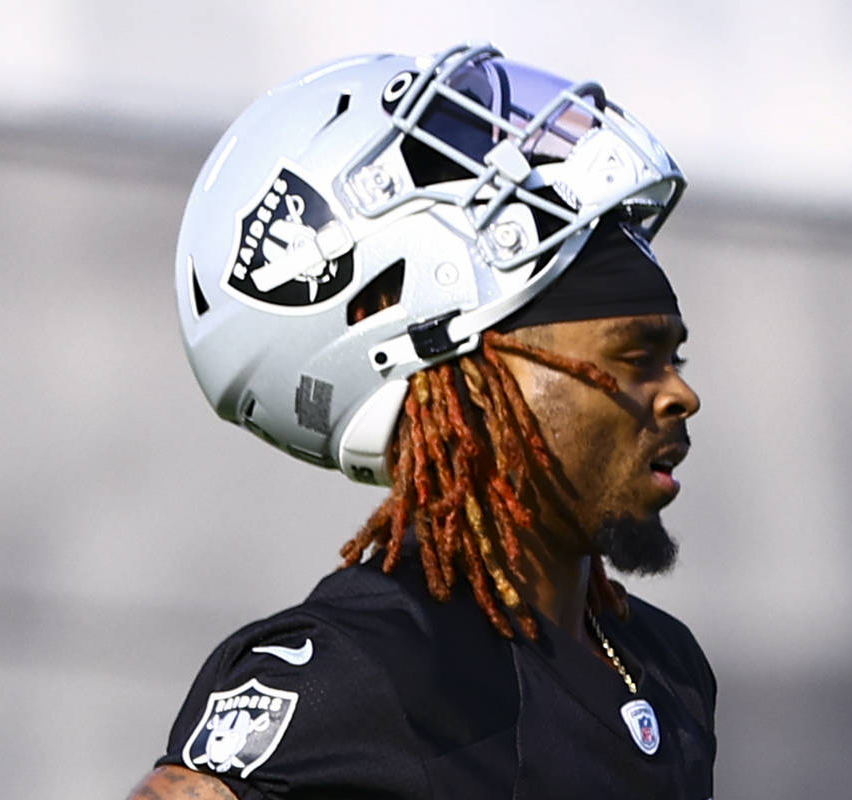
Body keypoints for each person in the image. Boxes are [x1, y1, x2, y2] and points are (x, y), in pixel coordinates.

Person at [129, 42, 714, 800]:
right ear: (475, 380)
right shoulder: (364, 668)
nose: (678, 395)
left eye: (675, 359)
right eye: (632, 357)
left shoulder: (667, 666)